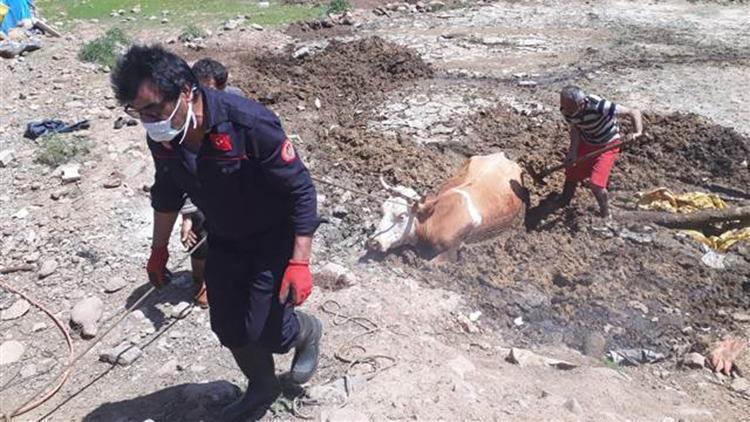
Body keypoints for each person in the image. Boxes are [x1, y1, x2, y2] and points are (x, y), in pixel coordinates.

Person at [111, 44, 322, 421]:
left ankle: (306, 331)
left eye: (154, 110)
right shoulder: (164, 136)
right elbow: (168, 191)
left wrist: (299, 261)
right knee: (227, 325)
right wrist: (158, 250)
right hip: (224, 237)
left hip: (272, 238)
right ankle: (262, 386)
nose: (148, 121)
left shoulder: (249, 124)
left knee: (272, 333)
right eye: (137, 113)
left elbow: (301, 190)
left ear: (187, 92)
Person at [556, 86, 643, 218]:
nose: (566, 112)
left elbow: (633, 111)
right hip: (588, 140)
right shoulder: (566, 110)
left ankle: (605, 214)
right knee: (572, 171)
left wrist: (637, 132)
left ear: (581, 104)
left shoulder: (599, 106)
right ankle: (564, 200)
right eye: (564, 107)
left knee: (596, 184)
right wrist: (572, 152)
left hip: (608, 142)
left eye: (570, 108)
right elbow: (575, 128)